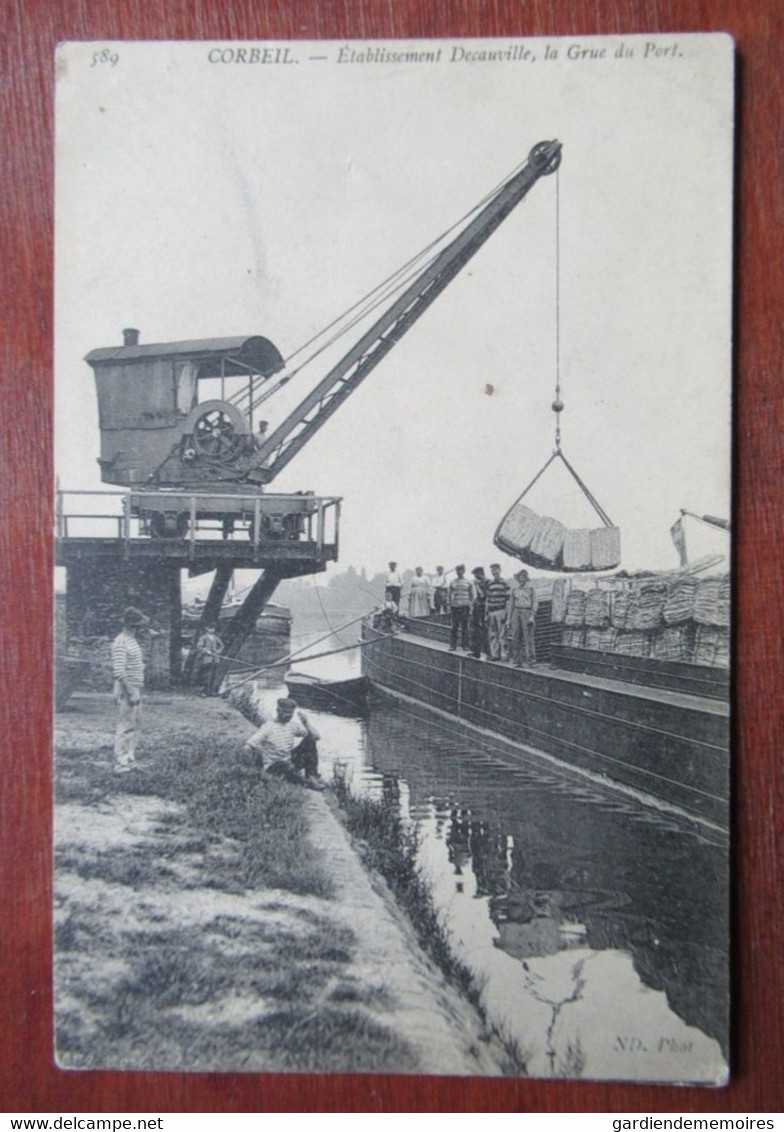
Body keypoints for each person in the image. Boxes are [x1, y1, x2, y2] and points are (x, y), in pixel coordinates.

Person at [245, 697, 324, 790]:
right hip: (273, 766)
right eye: (286, 712)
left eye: (290, 714)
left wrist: (305, 722)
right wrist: (253, 762)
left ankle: (311, 775)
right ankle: (305, 783)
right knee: (287, 767)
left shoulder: (292, 725)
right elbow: (248, 746)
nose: (288, 716)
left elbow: (317, 737)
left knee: (310, 739)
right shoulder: (268, 727)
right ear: (278, 711)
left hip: (288, 760)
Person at [111, 606, 149, 773]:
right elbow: (119, 671)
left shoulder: (131, 640)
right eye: (139, 625)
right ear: (133, 625)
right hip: (127, 688)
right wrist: (131, 692)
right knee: (126, 725)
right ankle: (121, 762)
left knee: (136, 724)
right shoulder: (121, 642)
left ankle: (130, 758)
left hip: (135, 686)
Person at [507, 569, 539, 667]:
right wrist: (509, 619)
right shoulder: (514, 590)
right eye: (519, 578)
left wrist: (532, 616)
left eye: (523, 578)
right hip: (516, 612)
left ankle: (531, 661)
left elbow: (535, 603)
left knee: (528, 638)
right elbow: (511, 605)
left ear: (526, 579)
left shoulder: (531, 589)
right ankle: (517, 661)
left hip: (527, 612)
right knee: (516, 637)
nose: (521, 580)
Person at [485, 563, 511, 661]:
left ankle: (504, 655)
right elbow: (488, 600)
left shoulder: (505, 583)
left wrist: (506, 613)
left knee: (503, 635)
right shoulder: (490, 584)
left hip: (501, 611)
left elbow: (508, 600)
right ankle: (495, 654)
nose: (494, 572)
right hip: (491, 612)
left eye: (496, 569)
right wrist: (486, 614)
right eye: (492, 570)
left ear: (500, 570)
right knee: (493, 635)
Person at [192, 623, 224, 695]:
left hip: (215, 659)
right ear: (206, 628)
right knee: (206, 675)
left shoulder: (216, 637)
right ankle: (204, 692)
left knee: (214, 675)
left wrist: (218, 652)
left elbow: (222, 646)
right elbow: (199, 646)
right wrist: (206, 651)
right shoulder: (203, 637)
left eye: (213, 628)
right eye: (210, 628)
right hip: (207, 659)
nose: (212, 630)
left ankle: (212, 692)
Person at [448, 565, 474, 651]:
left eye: (461, 570)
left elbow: (472, 595)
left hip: (465, 607)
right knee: (454, 627)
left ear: (464, 571)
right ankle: (452, 645)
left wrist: (471, 606)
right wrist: (449, 605)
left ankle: (465, 645)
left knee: (465, 627)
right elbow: (449, 595)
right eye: (457, 570)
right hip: (455, 607)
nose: (459, 572)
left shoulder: (468, 582)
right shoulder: (453, 582)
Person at [469, 567, 489, 659]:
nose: (476, 577)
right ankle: (475, 652)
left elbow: (483, 595)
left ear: (481, 573)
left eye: (476, 574)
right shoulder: (478, 583)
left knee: (484, 632)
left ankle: (487, 653)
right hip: (477, 609)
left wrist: (477, 586)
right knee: (475, 631)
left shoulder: (487, 582)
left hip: (483, 609)